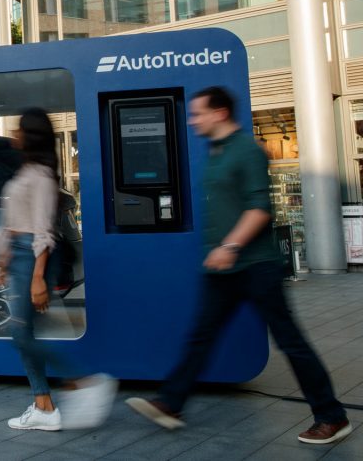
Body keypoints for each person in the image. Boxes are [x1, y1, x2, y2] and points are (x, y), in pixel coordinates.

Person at [126, 86, 352, 445]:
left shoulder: (246, 150)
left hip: (255, 265)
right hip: (223, 270)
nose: (192, 119)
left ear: (219, 113)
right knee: (200, 336)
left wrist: (229, 246)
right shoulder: (217, 152)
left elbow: (260, 208)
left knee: (290, 342)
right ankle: (171, 402)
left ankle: (332, 416)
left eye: (198, 113)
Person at [0, 108, 117, 431]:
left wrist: (36, 278)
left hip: (32, 259)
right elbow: (10, 225)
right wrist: (1, 262)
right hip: (18, 257)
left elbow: (43, 231)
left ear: (30, 136)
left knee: (20, 334)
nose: (15, 136)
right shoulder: (27, 171)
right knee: (22, 333)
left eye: (20, 130)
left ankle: (82, 381)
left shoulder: (43, 177)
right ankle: (44, 406)